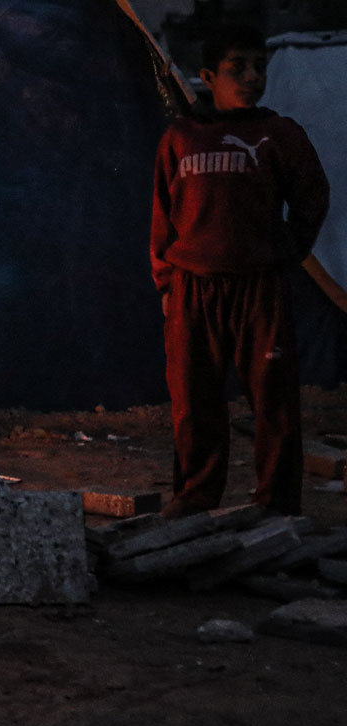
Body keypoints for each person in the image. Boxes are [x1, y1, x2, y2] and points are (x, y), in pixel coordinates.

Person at [151, 24, 329, 517]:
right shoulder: (181, 138)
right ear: (208, 76)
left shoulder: (280, 134)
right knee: (194, 401)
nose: (251, 77)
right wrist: (166, 282)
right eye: (238, 68)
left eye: (259, 67)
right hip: (192, 288)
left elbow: (313, 197)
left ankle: (275, 503)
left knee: (273, 400)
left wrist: (285, 252)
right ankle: (194, 497)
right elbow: (163, 215)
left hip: (258, 289)